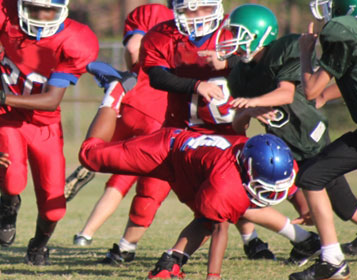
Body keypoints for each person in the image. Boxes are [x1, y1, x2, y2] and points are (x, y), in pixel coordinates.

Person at [78, 73, 321, 280]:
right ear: (246, 170)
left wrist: (302, 207)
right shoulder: (227, 183)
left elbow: (283, 183)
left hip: (192, 170)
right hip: (165, 150)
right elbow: (220, 232)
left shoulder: (265, 158)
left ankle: (172, 260)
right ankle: (115, 90)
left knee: (205, 217)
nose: (270, 193)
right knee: (89, 156)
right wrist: (213, 276)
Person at [215, 3, 357, 268]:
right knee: (304, 182)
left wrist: (303, 53)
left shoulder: (289, 49)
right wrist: (249, 111)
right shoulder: (241, 74)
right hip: (312, 142)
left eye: (237, 32)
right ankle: (322, 251)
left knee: (347, 204)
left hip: (322, 139)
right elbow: (240, 126)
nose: (231, 39)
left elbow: (297, 92)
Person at [139, 0, 288, 262]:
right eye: (189, 8)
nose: (197, 15)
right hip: (187, 131)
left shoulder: (234, 28)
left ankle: (272, 239)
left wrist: (233, 67)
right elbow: (157, 77)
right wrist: (197, 85)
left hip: (229, 129)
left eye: (204, 7)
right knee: (210, 198)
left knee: (238, 189)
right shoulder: (161, 36)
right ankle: (274, 239)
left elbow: (258, 60)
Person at [289, 0, 357, 279]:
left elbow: (312, 90)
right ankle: (332, 259)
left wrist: (305, 53)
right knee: (312, 176)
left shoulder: (347, 32)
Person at [71, 4, 174, 266]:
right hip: (165, 114)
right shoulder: (203, 25)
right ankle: (125, 247)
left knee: (118, 172)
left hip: (132, 99)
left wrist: (134, 73)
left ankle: (85, 233)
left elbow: (132, 48)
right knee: (158, 188)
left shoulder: (151, 12)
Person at [0, 0, 98, 265]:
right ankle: (8, 205)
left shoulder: (75, 39)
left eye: (50, 10)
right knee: (12, 178)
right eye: (34, 9)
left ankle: (39, 245)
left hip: (44, 124)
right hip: (7, 120)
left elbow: (51, 100)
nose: (42, 17)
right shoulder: (6, 14)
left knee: (54, 207)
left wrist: (3, 98)